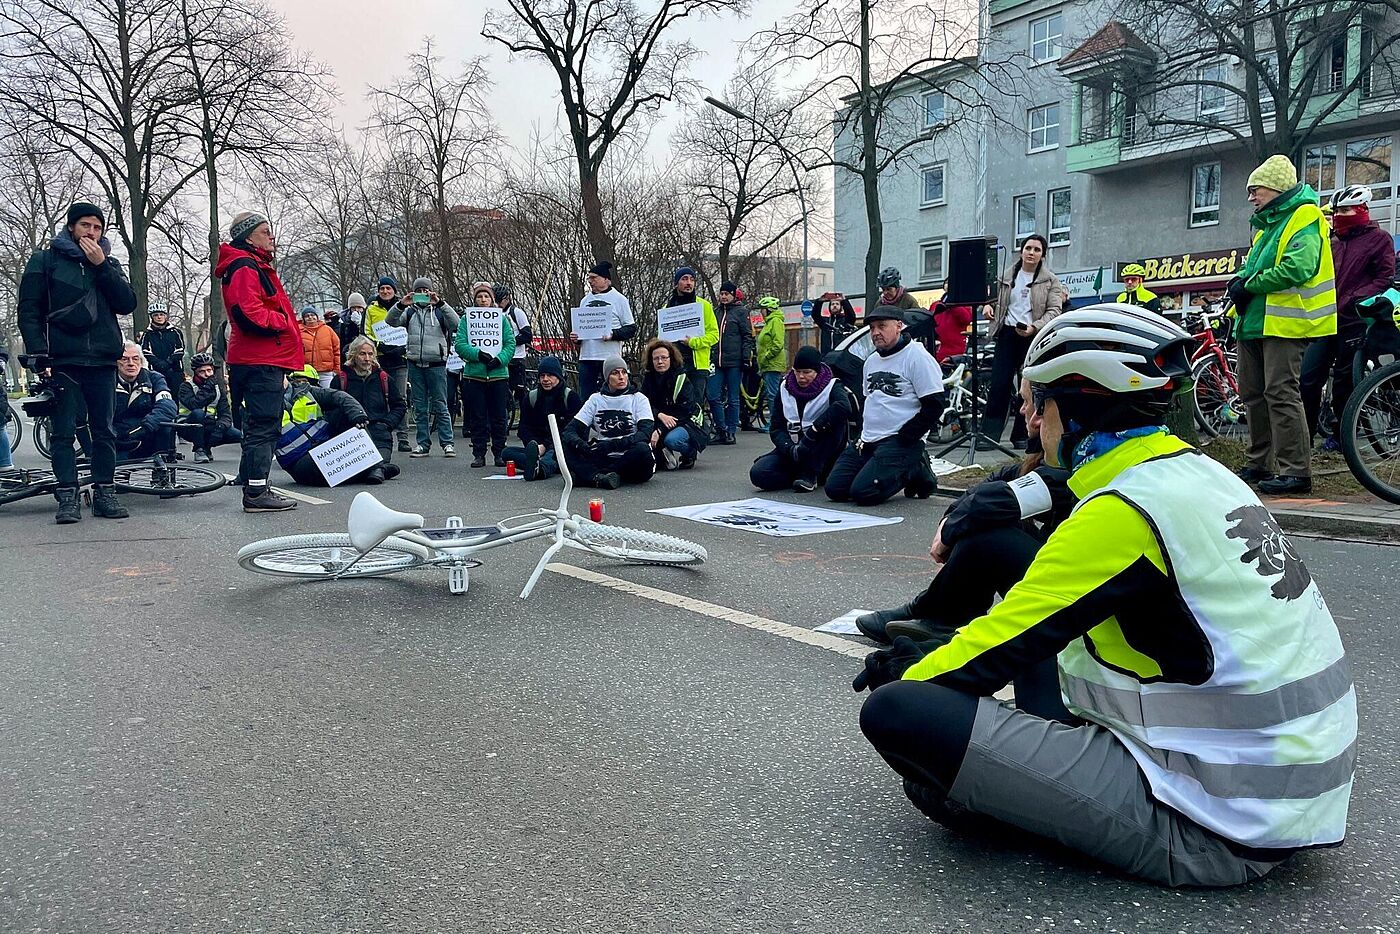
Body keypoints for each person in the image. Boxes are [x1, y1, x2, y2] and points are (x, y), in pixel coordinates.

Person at [855, 304, 1355, 887]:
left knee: (898, 711)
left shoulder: (1121, 512)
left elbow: (984, 654)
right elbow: (1034, 576)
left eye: (1035, 399)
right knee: (1012, 576)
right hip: (1284, 784)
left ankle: (1023, 807)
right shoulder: (1194, 474)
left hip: (1216, 822)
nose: (1025, 413)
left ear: (1074, 407)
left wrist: (910, 671)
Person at [855, 378, 1072, 645]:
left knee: (989, 530)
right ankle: (930, 612)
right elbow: (983, 489)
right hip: (1063, 581)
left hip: (1074, 593)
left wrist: (949, 530)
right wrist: (951, 520)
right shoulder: (1043, 457)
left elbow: (992, 500)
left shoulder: (1077, 465)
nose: (1023, 412)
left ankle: (943, 619)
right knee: (980, 518)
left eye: (1027, 403)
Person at [18, 201, 137, 523]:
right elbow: (29, 310)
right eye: (86, 225)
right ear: (72, 227)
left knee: (104, 431)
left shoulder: (109, 262)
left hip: (101, 358)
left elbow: (127, 303)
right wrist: (38, 353)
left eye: (97, 227)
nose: (92, 232)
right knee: (63, 432)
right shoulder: (45, 261)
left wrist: (102, 267)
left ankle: (105, 493)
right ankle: (67, 495)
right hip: (62, 359)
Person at [1227, 154, 1337, 495]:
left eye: (1255, 189)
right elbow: (1252, 270)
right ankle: (1260, 462)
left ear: (1276, 187)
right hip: (1255, 323)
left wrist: (1249, 285)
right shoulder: (1266, 225)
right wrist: (1239, 283)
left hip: (1285, 323)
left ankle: (1295, 471)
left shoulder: (1304, 216)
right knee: (1253, 395)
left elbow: (1298, 267)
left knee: (1279, 393)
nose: (1250, 197)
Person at [217, 211, 302, 512]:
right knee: (264, 426)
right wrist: (283, 321)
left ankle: (256, 488)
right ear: (248, 236)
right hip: (259, 360)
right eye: (265, 231)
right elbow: (246, 312)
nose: (272, 236)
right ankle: (256, 493)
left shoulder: (251, 265)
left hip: (259, 359)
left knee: (260, 425)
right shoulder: (245, 265)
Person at [1300, 184, 1395, 449]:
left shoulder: (1380, 239)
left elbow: (1384, 278)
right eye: (1336, 210)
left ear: (1362, 209)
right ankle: (1302, 438)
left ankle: (1342, 437)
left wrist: (1355, 299)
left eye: (1346, 210)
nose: (1339, 215)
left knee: (1344, 383)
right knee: (1307, 379)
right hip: (1325, 320)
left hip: (1355, 321)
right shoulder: (1332, 241)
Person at [824, 306, 942, 505]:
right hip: (869, 439)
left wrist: (907, 437)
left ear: (898, 326)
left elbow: (934, 405)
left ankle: (915, 467)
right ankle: (896, 467)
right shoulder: (871, 361)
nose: (875, 332)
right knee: (835, 489)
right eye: (871, 328)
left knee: (864, 493)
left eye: (881, 326)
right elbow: (869, 400)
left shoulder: (917, 357)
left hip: (900, 439)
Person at [982, 234, 1066, 448]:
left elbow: (1055, 311)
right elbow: (991, 299)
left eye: (1037, 250)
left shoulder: (1051, 281)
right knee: (999, 384)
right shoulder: (1005, 276)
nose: (1031, 253)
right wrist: (988, 306)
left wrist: (1034, 327)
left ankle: (1022, 434)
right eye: (1028, 248)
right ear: (1021, 251)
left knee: (1026, 387)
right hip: (1007, 334)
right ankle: (989, 436)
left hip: (1032, 336)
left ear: (1043, 255)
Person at [750, 345, 852, 493]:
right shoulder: (784, 387)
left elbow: (844, 407)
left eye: (807, 372)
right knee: (758, 474)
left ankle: (812, 473)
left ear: (817, 371)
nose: (801, 377)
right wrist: (788, 448)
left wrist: (814, 430)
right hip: (794, 447)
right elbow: (776, 427)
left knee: (836, 422)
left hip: (820, 447)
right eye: (797, 372)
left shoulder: (832, 385)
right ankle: (801, 475)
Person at [387, 277, 460, 459]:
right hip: (414, 363)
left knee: (441, 405)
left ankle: (447, 444)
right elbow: (390, 321)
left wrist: (441, 303)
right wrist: (401, 304)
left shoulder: (440, 311)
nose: (422, 294)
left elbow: (457, 323)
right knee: (419, 407)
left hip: (436, 364)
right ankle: (422, 444)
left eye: (425, 291)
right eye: (419, 291)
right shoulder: (409, 313)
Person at [561, 356, 655, 489]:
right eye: (615, 373)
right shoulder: (596, 399)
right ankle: (602, 478)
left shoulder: (639, 399)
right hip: (602, 457)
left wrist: (612, 445)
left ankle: (591, 477)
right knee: (563, 445)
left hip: (630, 458)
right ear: (607, 378)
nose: (621, 377)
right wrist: (582, 446)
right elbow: (570, 431)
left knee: (642, 449)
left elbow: (645, 434)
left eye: (624, 372)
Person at [275, 365, 371, 485]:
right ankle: (371, 470)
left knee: (353, 418)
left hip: (326, 446)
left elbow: (339, 396)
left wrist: (357, 414)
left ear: (286, 376)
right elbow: (254, 443)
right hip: (299, 460)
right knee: (327, 472)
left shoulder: (307, 391)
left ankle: (372, 466)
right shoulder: (259, 405)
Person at [455, 280, 516, 467]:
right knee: (477, 417)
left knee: (499, 416)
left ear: (492, 299)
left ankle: (499, 452)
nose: (483, 300)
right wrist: (477, 354)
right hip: (475, 375)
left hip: (498, 375)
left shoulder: (502, 319)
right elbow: (460, 344)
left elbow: (510, 343)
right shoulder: (467, 319)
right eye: (479, 297)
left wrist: (499, 359)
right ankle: (479, 453)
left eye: (486, 296)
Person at [502, 355, 581, 481]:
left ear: (559, 377)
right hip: (538, 448)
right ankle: (536, 463)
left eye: (550, 375)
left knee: (554, 455)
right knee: (506, 453)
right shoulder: (531, 398)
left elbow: (574, 431)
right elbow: (524, 428)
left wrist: (546, 445)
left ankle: (541, 469)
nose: (545, 379)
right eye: (542, 376)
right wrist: (535, 445)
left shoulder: (571, 398)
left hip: (561, 446)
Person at [339, 336, 405, 484]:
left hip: (380, 434)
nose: (367, 358)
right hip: (352, 435)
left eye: (370, 354)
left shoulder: (384, 378)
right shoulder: (341, 379)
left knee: (375, 462)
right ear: (353, 355)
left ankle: (378, 468)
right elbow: (331, 410)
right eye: (362, 354)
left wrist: (387, 424)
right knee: (358, 469)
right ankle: (381, 469)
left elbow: (399, 406)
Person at [641, 338, 707, 470]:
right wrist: (659, 415)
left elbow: (684, 410)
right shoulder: (648, 379)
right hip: (662, 420)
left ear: (671, 358)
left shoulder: (681, 378)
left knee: (672, 440)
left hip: (686, 421)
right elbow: (644, 405)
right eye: (656, 358)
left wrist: (659, 430)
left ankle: (689, 453)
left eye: (664, 358)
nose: (660, 362)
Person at [573, 261, 637, 399]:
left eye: (594, 278)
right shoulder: (585, 301)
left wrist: (613, 335)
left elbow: (631, 329)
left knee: (612, 395)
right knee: (586, 397)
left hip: (609, 358)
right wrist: (576, 338)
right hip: (587, 358)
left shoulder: (619, 299)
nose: (590, 281)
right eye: (589, 278)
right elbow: (583, 329)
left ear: (606, 280)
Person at [366, 276, 410, 452]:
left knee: (400, 398)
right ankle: (382, 435)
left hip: (400, 359)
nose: (385, 291)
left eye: (388, 288)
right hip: (379, 359)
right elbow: (366, 332)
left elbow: (412, 330)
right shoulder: (370, 309)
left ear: (394, 291)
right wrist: (379, 345)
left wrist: (403, 348)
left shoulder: (405, 307)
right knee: (380, 399)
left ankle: (403, 437)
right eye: (382, 288)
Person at [112, 341, 178, 458]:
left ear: (141, 361)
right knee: (118, 474)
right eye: (125, 359)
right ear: (116, 363)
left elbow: (168, 406)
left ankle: (161, 469)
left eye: (135, 359)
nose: (131, 363)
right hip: (117, 437)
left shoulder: (155, 378)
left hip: (146, 433)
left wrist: (144, 427)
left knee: (165, 425)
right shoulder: (107, 382)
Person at [710, 281, 754, 444]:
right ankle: (720, 429)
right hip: (717, 361)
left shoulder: (741, 312)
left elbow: (747, 336)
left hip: (734, 361)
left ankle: (730, 431)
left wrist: (746, 357)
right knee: (713, 395)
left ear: (733, 295)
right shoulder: (716, 312)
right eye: (721, 294)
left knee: (733, 398)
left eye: (726, 294)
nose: (723, 297)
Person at [177, 351, 241, 463]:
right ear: (195, 372)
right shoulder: (186, 387)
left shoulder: (217, 389)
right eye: (202, 371)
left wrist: (220, 428)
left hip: (210, 424)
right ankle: (199, 449)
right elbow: (194, 404)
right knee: (198, 413)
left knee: (238, 435)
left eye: (209, 370)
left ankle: (207, 447)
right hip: (187, 426)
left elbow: (225, 413)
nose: (207, 374)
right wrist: (206, 388)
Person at [664, 266, 719, 378]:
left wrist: (693, 342)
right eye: (684, 279)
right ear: (676, 283)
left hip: (697, 367)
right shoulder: (666, 310)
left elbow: (714, 335)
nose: (689, 283)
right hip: (674, 365)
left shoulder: (705, 306)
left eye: (692, 279)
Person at [496, 283, 533, 411]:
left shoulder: (516, 313)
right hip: (502, 357)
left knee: (520, 392)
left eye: (499, 301)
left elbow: (527, 336)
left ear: (506, 299)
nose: (497, 305)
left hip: (517, 357)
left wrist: (509, 341)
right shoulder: (494, 315)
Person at [755, 296, 787, 431]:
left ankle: (775, 424)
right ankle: (775, 423)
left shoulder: (775, 322)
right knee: (772, 394)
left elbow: (778, 343)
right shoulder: (770, 322)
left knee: (772, 395)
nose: (761, 313)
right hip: (768, 364)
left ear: (768, 310)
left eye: (762, 310)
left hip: (772, 364)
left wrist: (766, 356)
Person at [138, 301, 186, 392]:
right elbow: (144, 350)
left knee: (175, 397)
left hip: (175, 370)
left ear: (165, 316)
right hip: (156, 370)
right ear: (152, 317)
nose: (159, 317)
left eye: (161, 314)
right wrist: (157, 363)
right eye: (156, 315)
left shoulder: (176, 332)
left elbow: (180, 349)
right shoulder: (147, 334)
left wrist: (169, 361)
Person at [299, 307, 341, 388]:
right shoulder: (298, 332)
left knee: (329, 395)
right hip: (307, 373)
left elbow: (336, 350)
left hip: (326, 372)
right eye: (307, 316)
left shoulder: (328, 330)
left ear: (317, 317)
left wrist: (337, 369)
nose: (310, 317)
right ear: (303, 319)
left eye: (312, 315)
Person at [930, 286, 974, 365]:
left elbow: (966, 319)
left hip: (954, 355)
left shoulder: (963, 305)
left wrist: (952, 305)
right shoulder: (936, 305)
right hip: (936, 352)